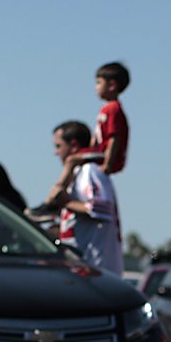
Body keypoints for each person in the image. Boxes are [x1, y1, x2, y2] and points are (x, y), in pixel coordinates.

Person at [33, 62, 131, 215]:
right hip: (99, 152)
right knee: (75, 161)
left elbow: (114, 138)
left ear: (112, 85)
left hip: (104, 154)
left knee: (71, 160)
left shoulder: (113, 109)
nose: (95, 87)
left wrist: (107, 163)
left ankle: (53, 199)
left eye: (99, 83)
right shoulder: (107, 109)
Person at [46, 120, 123, 275]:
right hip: (80, 267)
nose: (56, 152)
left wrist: (66, 202)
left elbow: (101, 208)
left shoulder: (90, 171)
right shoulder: (76, 173)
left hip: (95, 268)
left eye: (59, 146)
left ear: (73, 145)